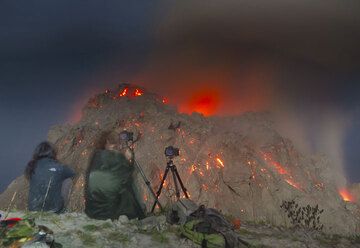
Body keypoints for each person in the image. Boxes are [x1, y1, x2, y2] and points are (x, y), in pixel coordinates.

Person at [85, 131, 145, 220]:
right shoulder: (117, 158)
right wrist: (128, 159)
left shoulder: (95, 157)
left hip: (92, 212)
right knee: (128, 184)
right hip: (110, 213)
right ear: (110, 143)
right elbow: (127, 175)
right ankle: (139, 214)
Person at [25, 141, 75, 213]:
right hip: (54, 210)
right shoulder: (59, 167)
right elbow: (72, 173)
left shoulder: (31, 166)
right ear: (52, 153)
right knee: (68, 180)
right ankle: (63, 210)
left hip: (33, 209)